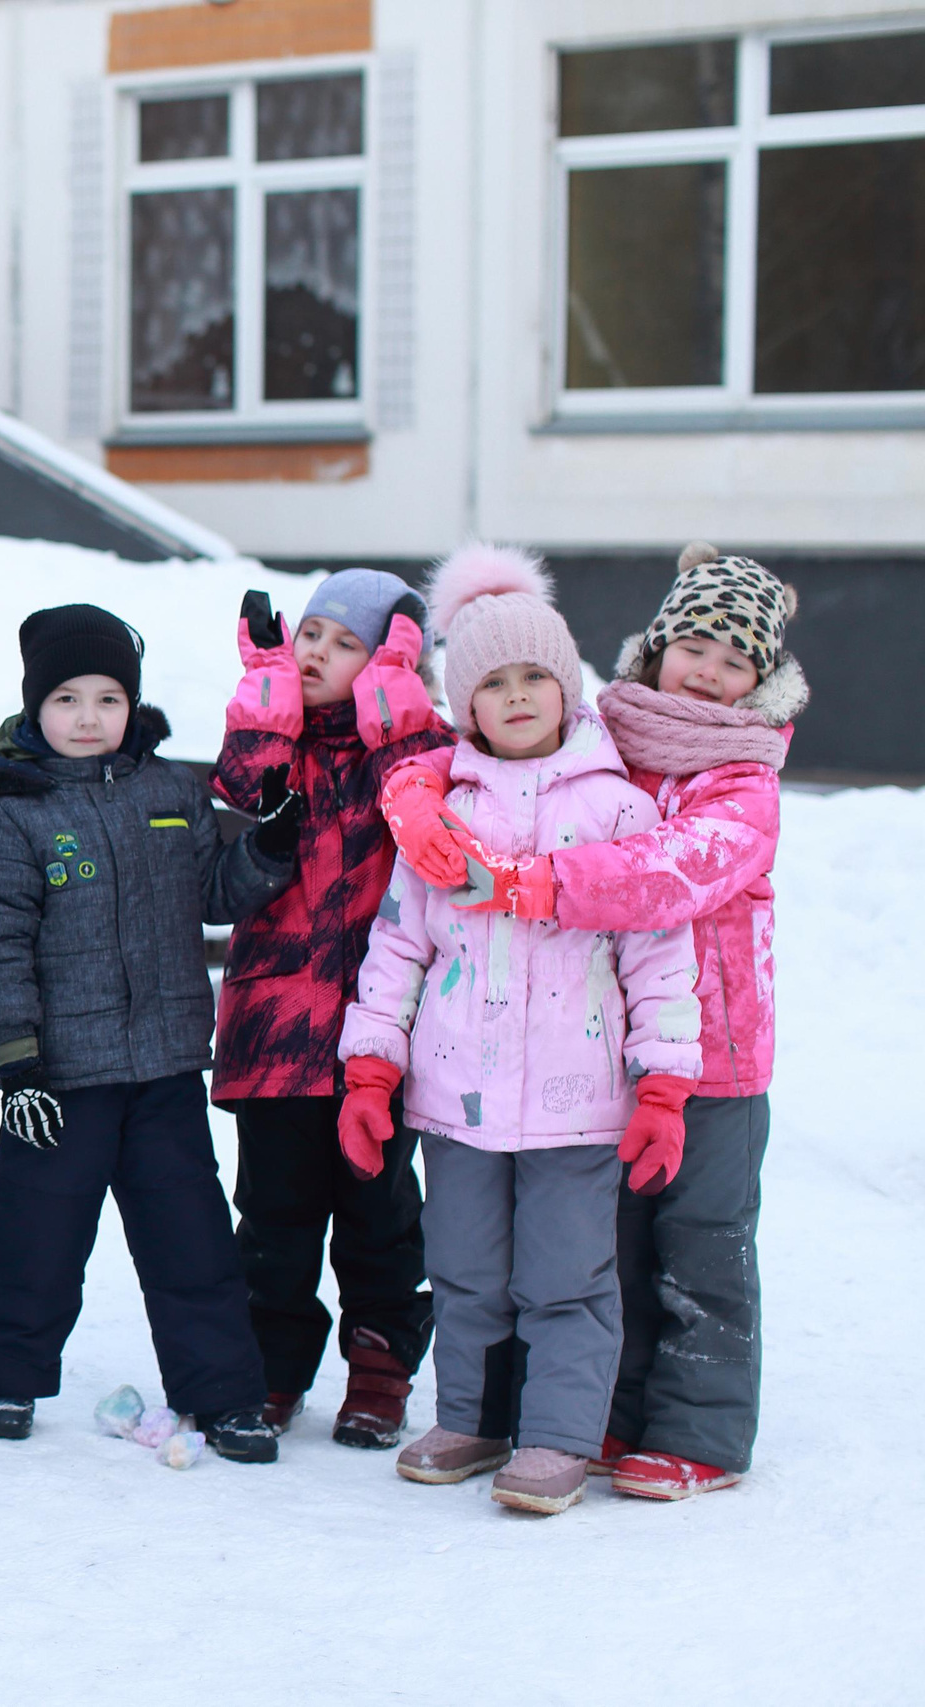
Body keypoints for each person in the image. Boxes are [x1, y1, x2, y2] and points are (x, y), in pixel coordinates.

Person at [377, 541, 801, 1501]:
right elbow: (469, 753)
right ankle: (605, 1412)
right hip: (605, 1052)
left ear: (762, 681)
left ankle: (701, 1431)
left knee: (703, 1243)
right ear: (655, 647)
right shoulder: (608, 733)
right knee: (616, 1238)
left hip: (718, 1048)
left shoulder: (741, 776)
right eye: (694, 645)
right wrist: (417, 798)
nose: (708, 670)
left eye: (737, 661)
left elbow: (664, 878)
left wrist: (530, 884)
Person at [339, 544, 701, 1516]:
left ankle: (556, 1439)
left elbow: (660, 956)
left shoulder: (618, 808)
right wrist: (371, 1070)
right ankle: (468, 1416)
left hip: (577, 1103)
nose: (514, 697)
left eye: (533, 676)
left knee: (567, 1278)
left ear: (566, 685)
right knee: (461, 1271)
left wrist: (661, 1084)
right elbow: (397, 949)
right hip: (454, 1097)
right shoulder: (440, 816)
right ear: (464, 703)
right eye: (490, 683)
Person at [0, 604, 297, 1462]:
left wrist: (268, 851)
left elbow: (212, 894)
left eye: (107, 698)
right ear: (35, 705)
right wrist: (19, 1061)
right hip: (61, 1079)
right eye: (67, 698)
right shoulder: (13, 812)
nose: (86, 717)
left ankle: (225, 1395)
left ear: (130, 705)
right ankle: (8, 1375)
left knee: (192, 1239)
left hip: (164, 1066)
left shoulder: (169, 792)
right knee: (36, 1233)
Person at [213, 572, 451, 1449]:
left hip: (378, 1038)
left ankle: (380, 1370)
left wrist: (395, 715)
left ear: (390, 662)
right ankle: (271, 1369)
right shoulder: (279, 739)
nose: (315, 650)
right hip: (276, 1031)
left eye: (343, 642)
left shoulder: (417, 749)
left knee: (379, 1215)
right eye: (309, 632)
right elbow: (245, 788)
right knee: (273, 1216)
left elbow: (425, 811)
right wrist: (267, 702)